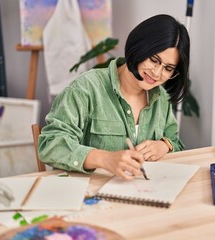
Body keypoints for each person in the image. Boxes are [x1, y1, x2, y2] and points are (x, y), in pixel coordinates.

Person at [38, 14, 190, 180]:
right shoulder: (86, 88)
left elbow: (175, 142)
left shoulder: (160, 97)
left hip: (139, 194)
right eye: (154, 60)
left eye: (168, 68)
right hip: (88, 197)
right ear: (140, 47)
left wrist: (164, 145)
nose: (157, 72)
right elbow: (50, 144)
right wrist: (103, 159)